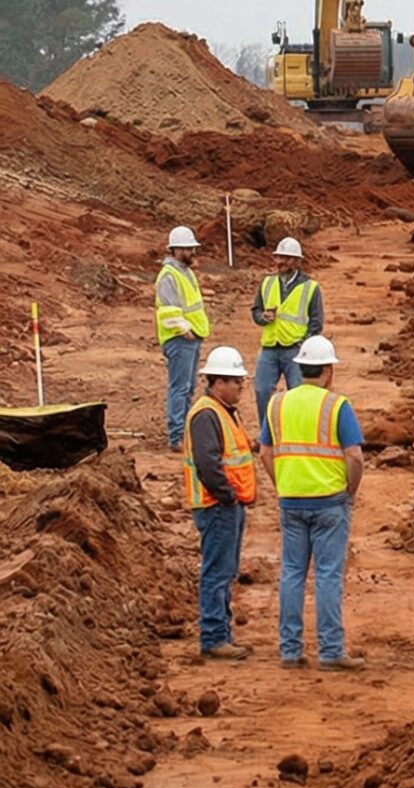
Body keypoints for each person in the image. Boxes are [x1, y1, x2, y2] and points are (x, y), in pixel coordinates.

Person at [261, 335, 366, 671]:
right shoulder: (337, 406)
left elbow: (265, 452)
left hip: (291, 500)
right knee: (327, 575)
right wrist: (350, 491)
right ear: (329, 372)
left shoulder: (276, 404)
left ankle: (290, 651)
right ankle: (331, 650)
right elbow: (355, 456)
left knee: (292, 572)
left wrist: (283, 482)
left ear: (300, 368)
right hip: (330, 501)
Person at [183, 346, 258, 662]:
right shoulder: (206, 414)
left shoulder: (223, 411)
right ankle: (214, 637)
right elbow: (208, 463)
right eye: (236, 381)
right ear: (218, 382)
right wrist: (228, 496)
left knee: (226, 571)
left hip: (227, 504)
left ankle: (221, 634)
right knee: (217, 572)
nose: (242, 386)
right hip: (217, 505)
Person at [251, 237, 324, 414]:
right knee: (262, 391)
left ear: (297, 261)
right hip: (270, 347)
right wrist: (263, 317)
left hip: (295, 350)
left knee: (298, 396)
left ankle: (296, 437)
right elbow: (256, 311)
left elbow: (316, 321)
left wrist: (304, 344)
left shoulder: (310, 287)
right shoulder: (267, 283)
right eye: (279, 257)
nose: (281, 262)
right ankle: (267, 436)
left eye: (287, 258)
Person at [155, 226, 209, 450]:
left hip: (192, 335)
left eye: (192, 248)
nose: (191, 252)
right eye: (186, 249)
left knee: (188, 387)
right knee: (179, 387)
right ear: (174, 249)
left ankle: (184, 431)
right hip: (180, 338)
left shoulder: (185, 272)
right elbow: (168, 309)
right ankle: (177, 436)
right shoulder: (169, 275)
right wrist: (182, 329)